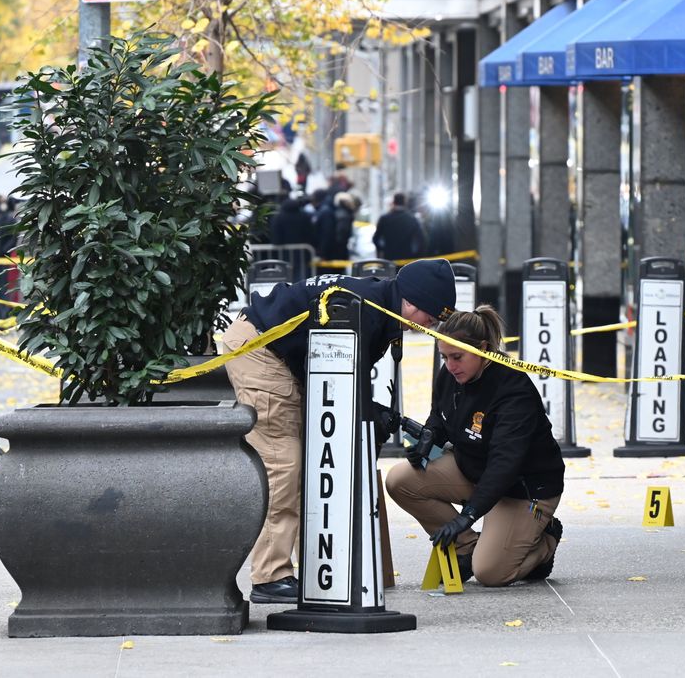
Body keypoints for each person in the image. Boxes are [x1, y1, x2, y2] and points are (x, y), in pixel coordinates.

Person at [221, 258, 457, 604]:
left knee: (309, 461)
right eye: (431, 317)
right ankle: (270, 577)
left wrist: (372, 411)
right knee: (283, 464)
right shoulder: (370, 313)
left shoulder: (378, 305)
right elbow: (334, 375)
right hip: (262, 350)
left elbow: (338, 373)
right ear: (413, 301)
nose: (430, 326)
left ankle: (315, 568)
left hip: (281, 352)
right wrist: (369, 412)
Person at [385, 305, 566, 586]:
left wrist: (467, 516)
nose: (450, 366)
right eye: (444, 357)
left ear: (482, 349)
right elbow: (440, 415)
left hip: (523, 490)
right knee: (400, 480)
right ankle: (466, 548)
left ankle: (544, 541)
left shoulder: (513, 390)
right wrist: (429, 438)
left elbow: (504, 464)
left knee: (491, 574)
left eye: (457, 357)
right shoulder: (452, 374)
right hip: (475, 471)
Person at [372, 192, 426, 261]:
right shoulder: (412, 219)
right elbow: (421, 240)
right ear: (405, 202)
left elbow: (375, 239)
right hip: (407, 258)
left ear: (393, 202)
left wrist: (383, 250)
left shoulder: (384, 219)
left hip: (389, 258)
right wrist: (416, 256)